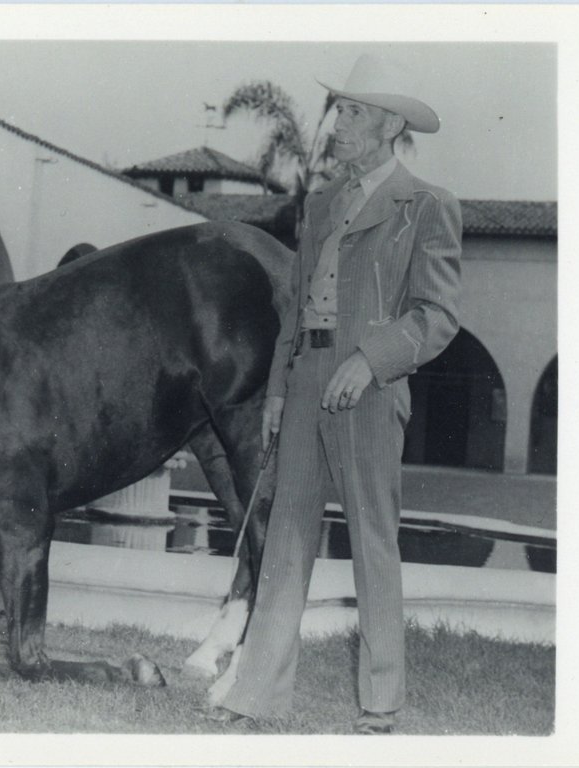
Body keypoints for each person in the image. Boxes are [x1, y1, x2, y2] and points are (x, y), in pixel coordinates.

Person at [204, 53, 462, 734]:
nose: (336, 124)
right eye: (339, 109)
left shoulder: (426, 206)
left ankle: (381, 704)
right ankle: (254, 694)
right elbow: (297, 308)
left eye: (350, 112)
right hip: (308, 378)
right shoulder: (321, 204)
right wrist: (280, 394)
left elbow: (435, 316)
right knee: (286, 538)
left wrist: (372, 360)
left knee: (373, 543)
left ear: (385, 124)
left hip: (370, 391)